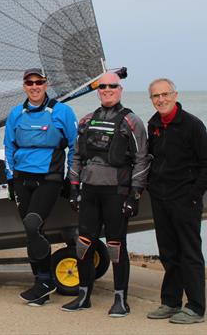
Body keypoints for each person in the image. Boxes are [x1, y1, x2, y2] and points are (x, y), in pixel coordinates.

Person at [63, 72, 150, 316]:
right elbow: (77, 156)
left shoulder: (132, 121)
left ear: (120, 89)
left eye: (112, 86)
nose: (107, 89)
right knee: (83, 244)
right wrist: (73, 187)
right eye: (102, 87)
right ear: (97, 90)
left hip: (117, 193)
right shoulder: (86, 121)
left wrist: (135, 195)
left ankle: (121, 300)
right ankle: (83, 296)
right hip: (89, 192)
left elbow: (142, 159)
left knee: (115, 245)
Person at [145, 78, 207, 324]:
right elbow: (152, 159)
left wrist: (193, 194)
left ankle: (196, 307)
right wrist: (151, 187)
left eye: (165, 94)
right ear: (151, 99)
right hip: (161, 198)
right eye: (156, 96)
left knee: (190, 253)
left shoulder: (192, 125)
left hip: (185, 200)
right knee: (168, 252)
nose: (161, 99)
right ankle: (170, 301)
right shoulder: (153, 124)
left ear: (175, 95)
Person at [3, 68, 78, 306]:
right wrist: (10, 179)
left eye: (39, 82)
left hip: (49, 177)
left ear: (46, 85)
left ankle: (44, 283)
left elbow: (76, 147)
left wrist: (72, 179)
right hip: (22, 178)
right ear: (24, 86)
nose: (34, 86)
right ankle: (41, 282)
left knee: (32, 224)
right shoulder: (16, 114)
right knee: (31, 233)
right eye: (30, 82)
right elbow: (8, 147)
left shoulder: (62, 112)